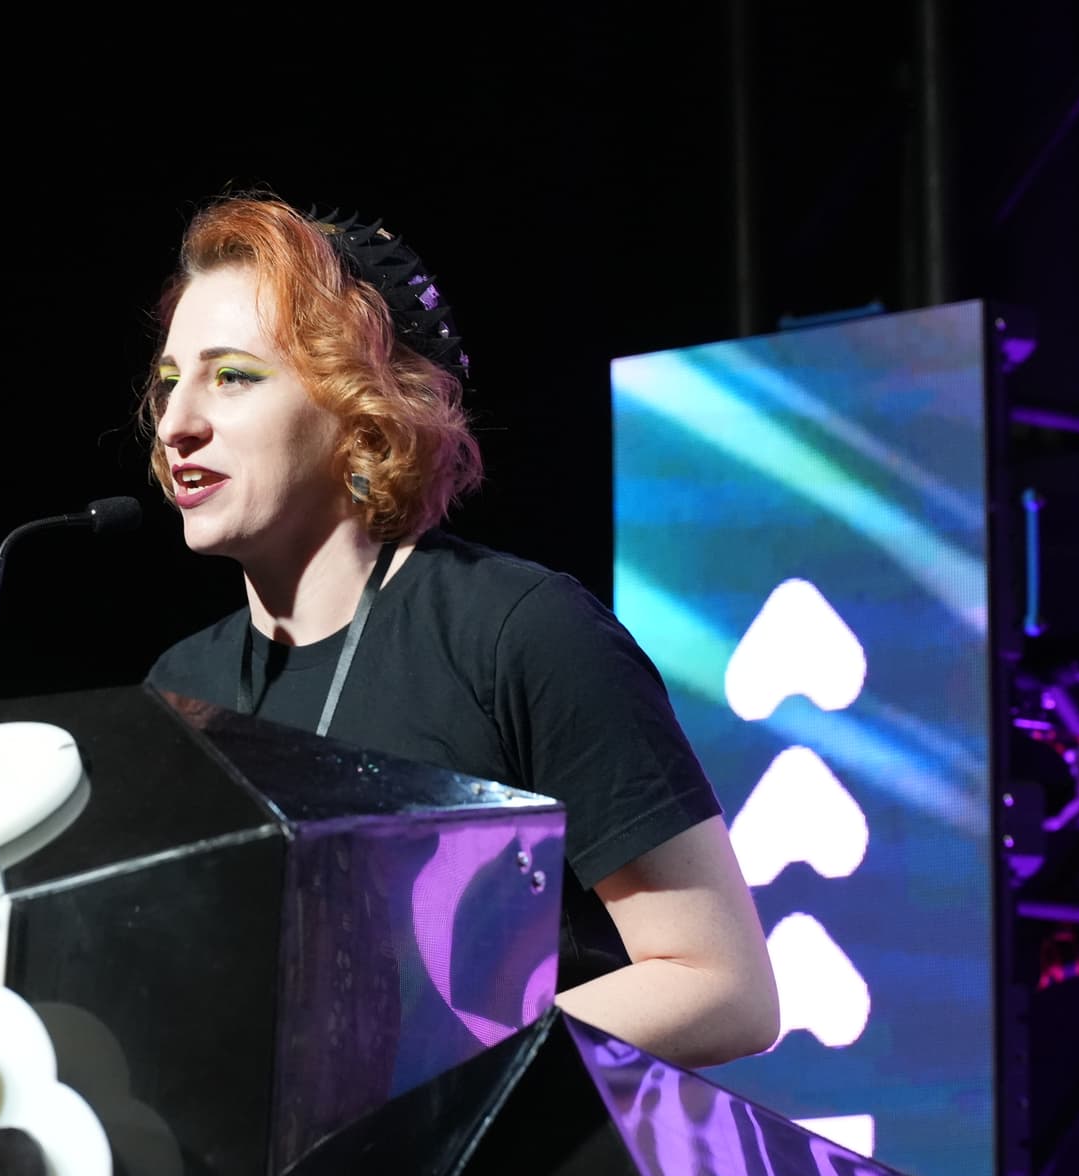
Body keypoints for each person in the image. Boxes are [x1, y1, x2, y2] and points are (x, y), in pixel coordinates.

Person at [143, 195, 778, 1069]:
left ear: (361, 403)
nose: (177, 423)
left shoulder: (521, 634)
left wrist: (431, 1074)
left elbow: (722, 982)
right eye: (171, 380)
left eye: (234, 376)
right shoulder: (179, 691)